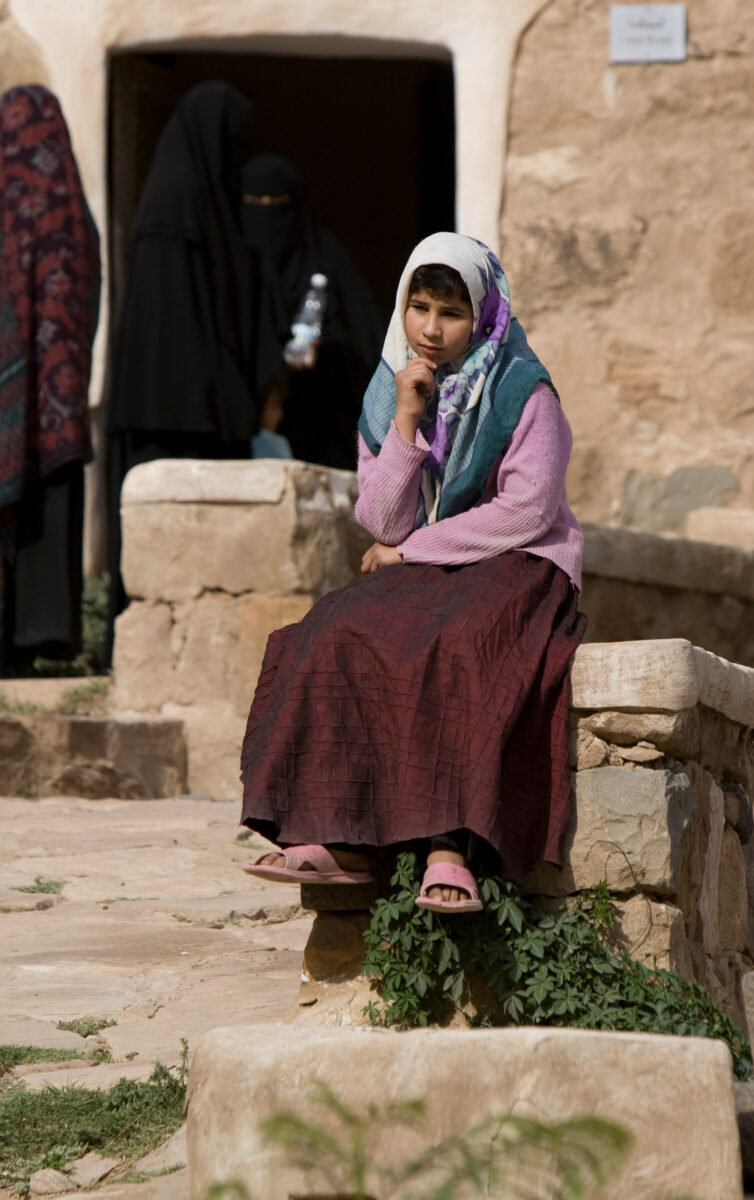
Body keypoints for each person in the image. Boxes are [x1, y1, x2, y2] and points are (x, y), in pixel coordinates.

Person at [239, 232, 586, 912]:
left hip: (519, 563)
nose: (430, 328)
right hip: (430, 566)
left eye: (450, 313)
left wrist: (413, 551)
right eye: (419, 306)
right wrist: (406, 419)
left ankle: (450, 847)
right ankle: (334, 836)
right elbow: (385, 523)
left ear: (483, 315)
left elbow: (527, 511)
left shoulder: (523, 390)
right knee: (335, 628)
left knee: (463, 644)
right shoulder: (390, 386)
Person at [105, 81, 256, 641]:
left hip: (187, 413)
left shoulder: (194, 196)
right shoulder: (178, 202)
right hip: (170, 417)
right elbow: (176, 330)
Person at [0, 85, 100, 675]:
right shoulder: (73, 210)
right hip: (60, 405)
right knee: (51, 504)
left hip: (11, 401)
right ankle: (43, 634)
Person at [241, 153, 383, 471]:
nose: (265, 212)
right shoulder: (231, 264)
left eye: (276, 201)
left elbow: (362, 339)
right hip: (243, 418)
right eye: (254, 200)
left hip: (316, 420)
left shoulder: (326, 262)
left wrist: (327, 344)